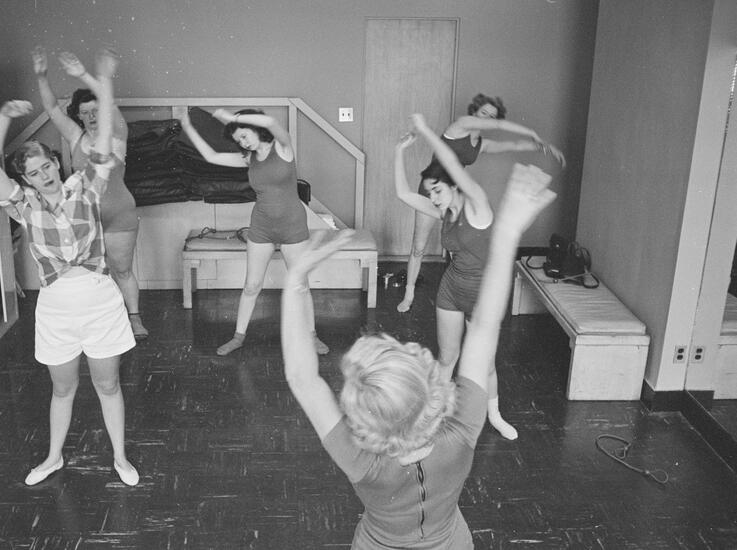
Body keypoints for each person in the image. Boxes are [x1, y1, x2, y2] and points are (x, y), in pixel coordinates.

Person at [280, 163, 555, 549]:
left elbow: (301, 377)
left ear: (363, 420)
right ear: (429, 390)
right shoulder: (463, 430)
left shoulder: (360, 460)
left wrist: (295, 280)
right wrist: (507, 233)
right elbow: (484, 325)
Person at [0, 50, 139, 487]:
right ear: (26, 180)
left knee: (108, 387)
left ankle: (121, 458)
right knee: (63, 389)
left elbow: (103, 141)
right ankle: (53, 458)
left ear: (56, 162)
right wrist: (3, 118)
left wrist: (101, 79)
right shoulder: (23, 207)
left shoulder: (86, 188)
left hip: (100, 304)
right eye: (35, 172)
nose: (45, 174)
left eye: (47, 165)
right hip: (56, 312)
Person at [393, 114, 520, 440]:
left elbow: (450, 162)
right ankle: (431, 417)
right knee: (447, 358)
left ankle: (495, 416)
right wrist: (399, 152)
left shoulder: (478, 207)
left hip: (483, 296)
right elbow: (404, 194)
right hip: (452, 289)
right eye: (431, 193)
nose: (433, 198)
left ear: (454, 185)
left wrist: (425, 131)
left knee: (485, 365)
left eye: (437, 191)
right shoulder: (443, 210)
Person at [179, 108, 329, 356]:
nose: (243, 142)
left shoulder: (283, 147)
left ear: (256, 129)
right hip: (261, 226)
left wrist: (233, 119)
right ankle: (238, 337)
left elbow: (270, 121)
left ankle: (312, 335)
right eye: (238, 140)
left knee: (300, 284)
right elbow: (211, 156)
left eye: (244, 136)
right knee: (251, 285)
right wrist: (188, 128)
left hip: (293, 225)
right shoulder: (249, 158)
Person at [397, 93, 564, 314]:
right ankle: (408, 294)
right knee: (418, 247)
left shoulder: (481, 144)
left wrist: (544, 147)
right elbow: (500, 125)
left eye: (491, 116)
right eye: (483, 113)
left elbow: (513, 145)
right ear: (474, 112)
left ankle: (456, 294)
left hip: (454, 196)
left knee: (460, 246)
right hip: (434, 191)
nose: (486, 118)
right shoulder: (460, 126)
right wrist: (531, 132)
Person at [32, 46, 148, 340]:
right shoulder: (75, 137)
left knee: (122, 270)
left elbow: (109, 102)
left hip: (119, 213)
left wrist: (84, 74)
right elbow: (51, 109)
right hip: (84, 217)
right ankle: (104, 322)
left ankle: (134, 319)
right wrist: (42, 76)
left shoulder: (117, 135)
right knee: (92, 276)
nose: (92, 116)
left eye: (96, 110)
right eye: (85, 112)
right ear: (79, 117)